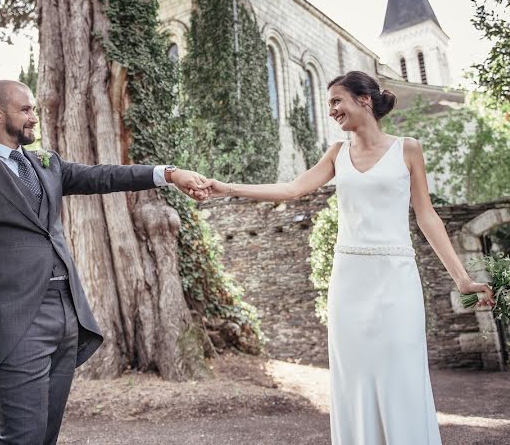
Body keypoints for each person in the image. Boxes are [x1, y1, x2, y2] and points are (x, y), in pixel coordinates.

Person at [206, 71, 494, 444]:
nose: (331, 111)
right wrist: (225, 188)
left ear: (365, 100)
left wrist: (463, 279)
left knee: (400, 371)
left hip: (395, 275)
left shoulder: (408, 148)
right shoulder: (336, 153)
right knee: (353, 376)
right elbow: (293, 189)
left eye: (336, 101)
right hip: (348, 278)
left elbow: (427, 217)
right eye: (329, 105)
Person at [0, 79, 209, 444]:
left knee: (45, 437)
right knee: (22, 439)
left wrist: (169, 175)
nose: (33, 118)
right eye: (25, 110)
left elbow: (103, 176)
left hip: (68, 317)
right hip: (16, 321)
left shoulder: (47, 163)